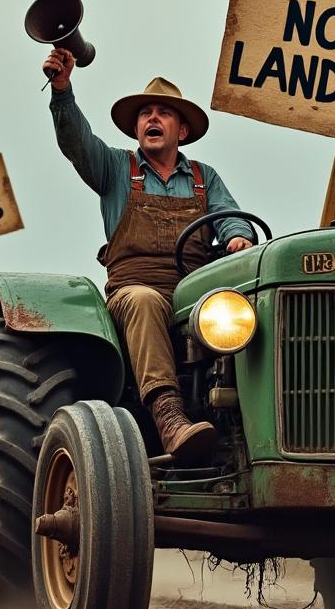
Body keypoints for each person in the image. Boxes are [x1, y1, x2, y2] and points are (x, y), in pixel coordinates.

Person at [44, 48, 256, 465]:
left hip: (192, 297)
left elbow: (231, 218)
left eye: (163, 113)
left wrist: (238, 238)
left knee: (246, 310)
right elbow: (77, 143)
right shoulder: (116, 169)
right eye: (146, 113)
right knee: (144, 301)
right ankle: (169, 417)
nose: (152, 119)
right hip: (131, 292)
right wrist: (63, 91)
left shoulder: (203, 178)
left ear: (183, 131)